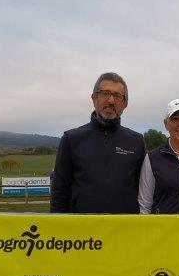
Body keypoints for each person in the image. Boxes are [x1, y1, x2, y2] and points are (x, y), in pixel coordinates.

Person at [50, 72, 146, 213]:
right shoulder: (71, 139)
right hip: (83, 230)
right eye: (105, 93)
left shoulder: (136, 141)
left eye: (117, 96)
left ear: (125, 104)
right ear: (94, 98)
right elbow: (59, 192)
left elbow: (144, 192)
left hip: (125, 229)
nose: (111, 100)